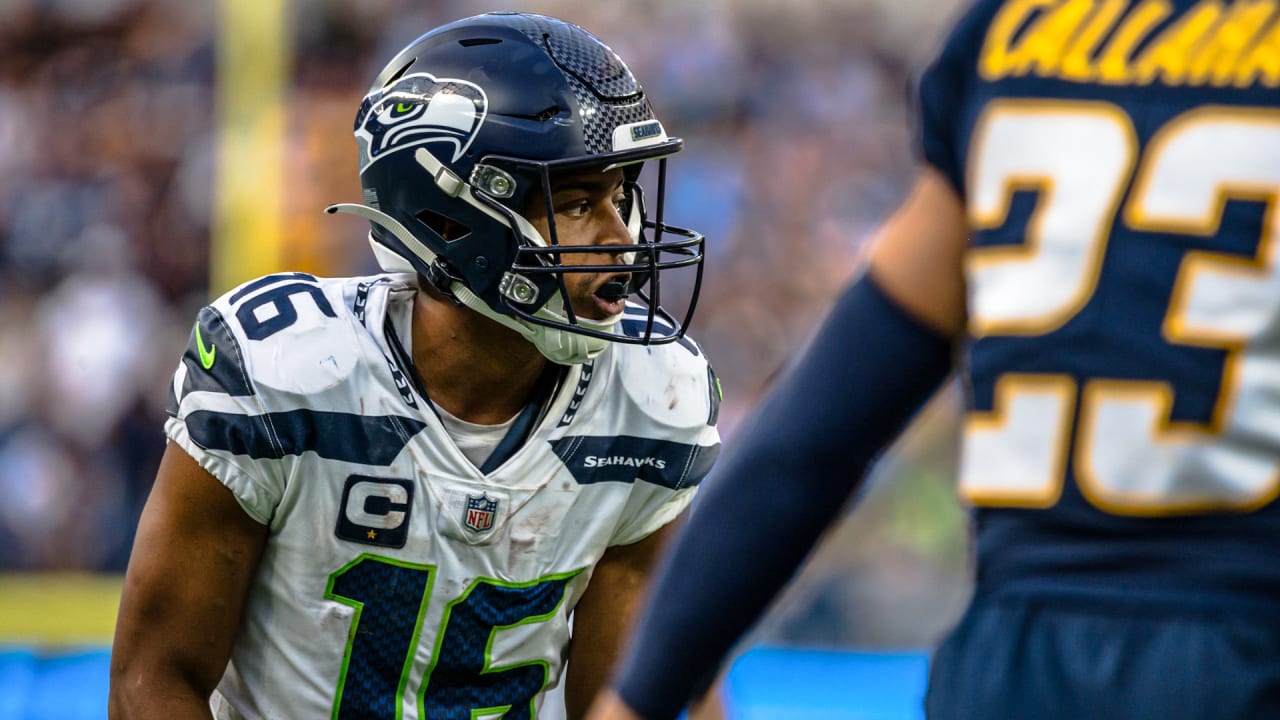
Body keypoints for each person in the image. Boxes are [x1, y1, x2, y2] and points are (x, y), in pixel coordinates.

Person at [588, 0, 1280, 718]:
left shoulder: (1022, 32)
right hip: (1243, 652)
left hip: (1014, 668)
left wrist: (639, 697)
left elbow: (818, 433)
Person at [108, 12, 721, 720]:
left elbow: (636, 701)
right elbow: (153, 682)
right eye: (578, 202)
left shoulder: (651, 399)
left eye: (622, 196)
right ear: (451, 215)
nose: (620, 240)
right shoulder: (287, 375)